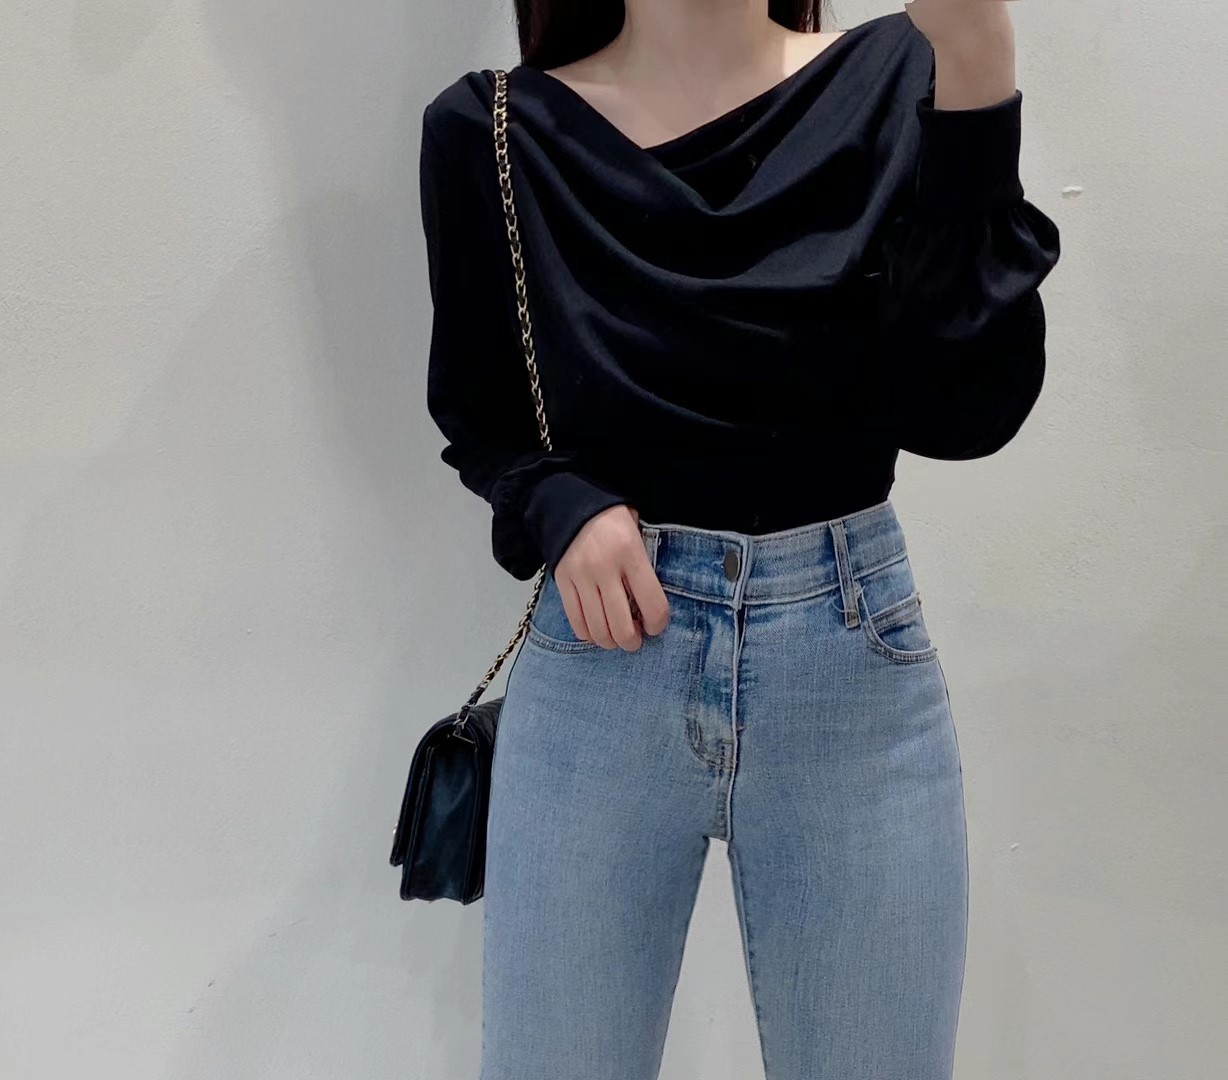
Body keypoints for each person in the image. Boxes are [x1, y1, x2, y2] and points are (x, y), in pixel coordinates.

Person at [419, 2, 1060, 1077]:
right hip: (601, 672)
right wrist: (563, 506)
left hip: (847, 668)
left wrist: (979, 64)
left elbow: (964, 411)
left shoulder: (894, 75)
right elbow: (482, 418)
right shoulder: (492, 130)